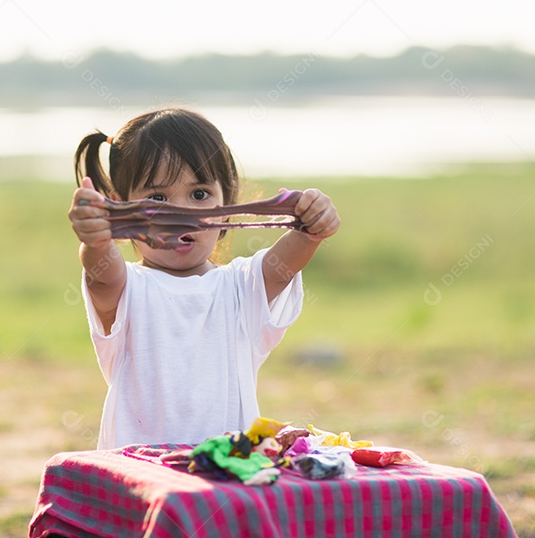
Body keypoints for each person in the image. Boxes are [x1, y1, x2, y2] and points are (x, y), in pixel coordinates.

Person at [68, 108, 340, 450]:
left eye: (199, 194)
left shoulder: (242, 288)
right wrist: (95, 239)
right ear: (121, 209)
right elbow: (101, 274)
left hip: (226, 478)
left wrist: (314, 223)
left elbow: (293, 251)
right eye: (157, 198)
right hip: (140, 476)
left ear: (227, 200)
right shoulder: (129, 288)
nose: (181, 213)